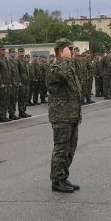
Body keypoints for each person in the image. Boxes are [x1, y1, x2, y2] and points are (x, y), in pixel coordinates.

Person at [47, 39, 82, 193]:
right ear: (61, 51)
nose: (72, 52)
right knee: (61, 148)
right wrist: (66, 59)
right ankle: (56, 181)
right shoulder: (54, 68)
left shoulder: (68, 66)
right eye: (70, 49)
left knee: (70, 149)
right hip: (61, 115)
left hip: (71, 114)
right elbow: (62, 75)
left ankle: (63, 177)